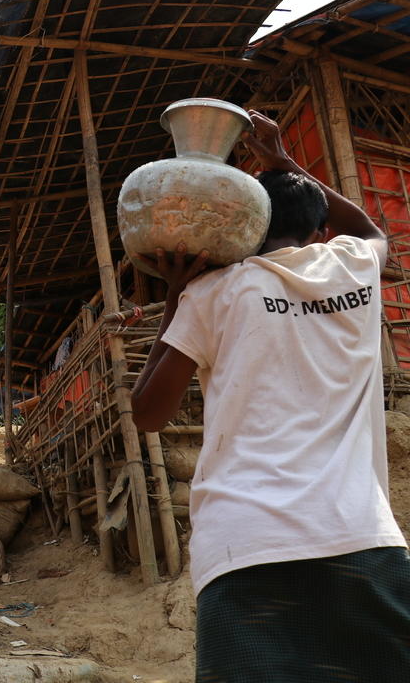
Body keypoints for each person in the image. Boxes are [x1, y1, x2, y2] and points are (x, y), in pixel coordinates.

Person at [131, 110, 410, 682]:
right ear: (317, 230)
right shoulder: (351, 267)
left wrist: (174, 300)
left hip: (245, 550)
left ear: (248, 228)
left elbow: (148, 414)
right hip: (361, 538)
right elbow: (372, 231)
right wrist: (285, 161)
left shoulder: (213, 292)